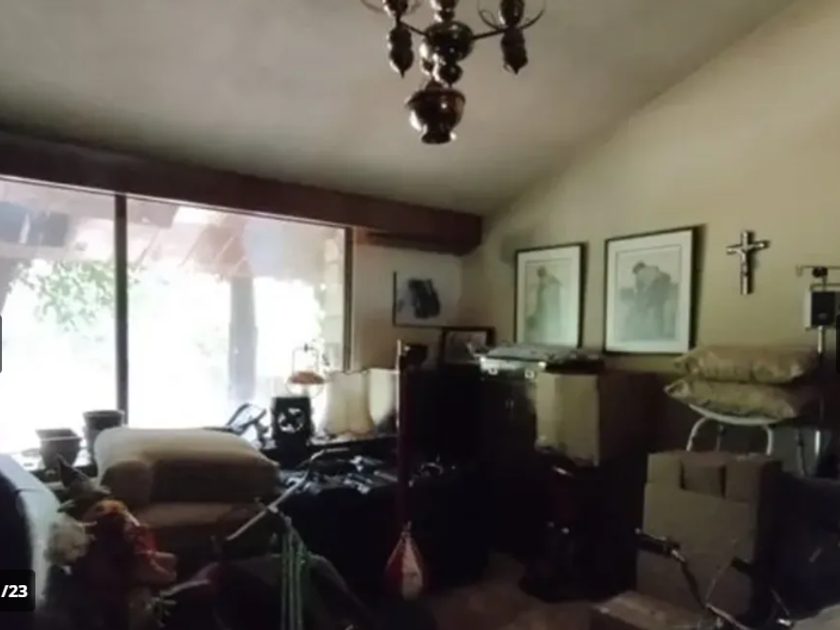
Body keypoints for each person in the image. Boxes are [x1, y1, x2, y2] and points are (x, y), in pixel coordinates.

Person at [623, 261, 674, 340]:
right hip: (661, 292)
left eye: (635, 272)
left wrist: (639, 302)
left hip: (654, 291)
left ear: (637, 269)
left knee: (644, 311)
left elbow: (639, 290)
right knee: (659, 312)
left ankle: (645, 330)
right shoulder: (655, 269)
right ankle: (660, 332)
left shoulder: (640, 273)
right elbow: (667, 277)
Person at [525, 265, 562, 343]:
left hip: (546, 309)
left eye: (541, 274)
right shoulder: (544, 282)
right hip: (542, 309)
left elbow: (553, 287)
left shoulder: (549, 280)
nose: (541, 278)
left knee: (545, 328)